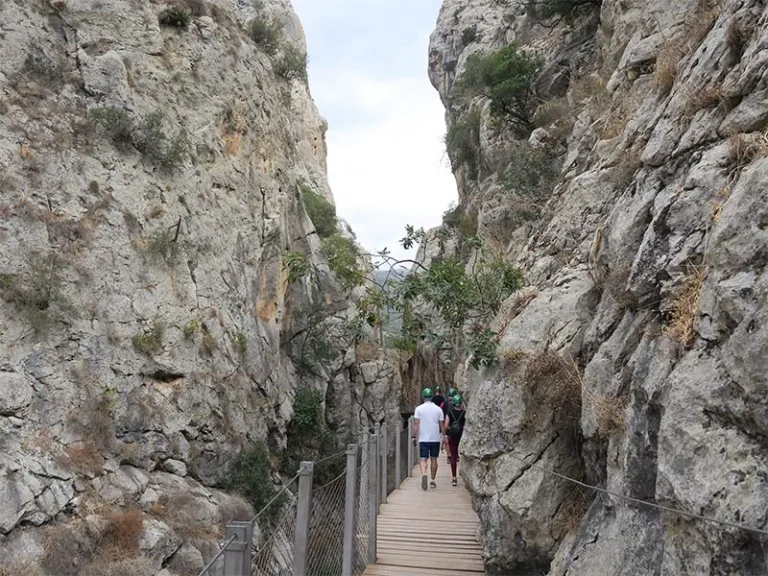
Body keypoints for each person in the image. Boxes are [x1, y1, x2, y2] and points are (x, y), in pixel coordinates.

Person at [413, 387, 445, 490]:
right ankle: (432, 480)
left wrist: (414, 436)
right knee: (434, 458)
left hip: (423, 438)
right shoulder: (438, 409)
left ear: (423, 397)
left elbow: (416, 423)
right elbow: (442, 424)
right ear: (432, 397)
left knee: (423, 459)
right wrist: (444, 436)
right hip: (435, 438)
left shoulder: (418, 409)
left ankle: (424, 473)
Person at [442, 394, 466, 487]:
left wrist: (445, 434)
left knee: (453, 456)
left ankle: (454, 477)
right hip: (462, 436)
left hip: (452, 436)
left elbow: (446, 425)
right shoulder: (464, 413)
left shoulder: (450, 413)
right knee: (463, 455)